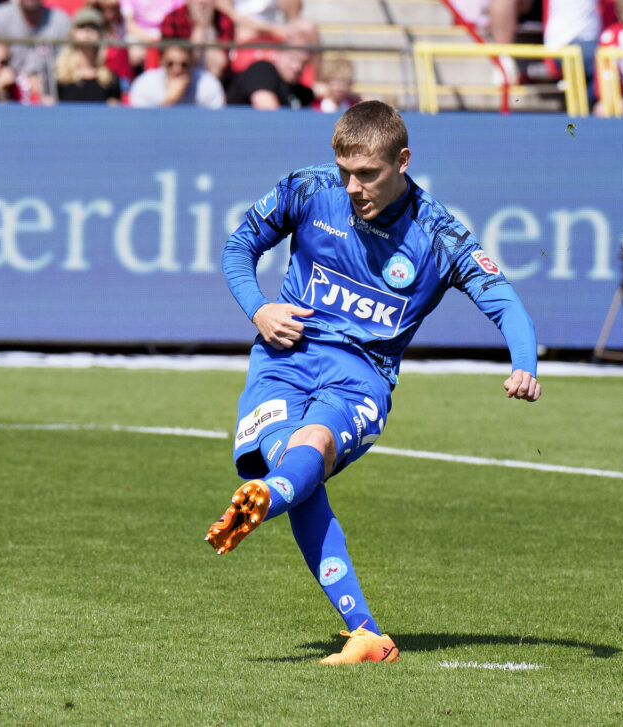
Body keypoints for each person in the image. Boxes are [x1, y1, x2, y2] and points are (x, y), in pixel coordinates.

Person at [205, 101, 541, 665]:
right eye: (345, 172)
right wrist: (259, 310)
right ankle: (366, 635)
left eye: (369, 174)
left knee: (311, 449)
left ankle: (266, 500)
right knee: (295, 464)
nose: (354, 186)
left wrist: (524, 361)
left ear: (402, 161)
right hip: (281, 359)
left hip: (359, 376)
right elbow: (238, 248)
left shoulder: (438, 235)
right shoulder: (308, 190)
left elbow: (503, 299)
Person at [0, 0, 71, 96]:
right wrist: (20, 80)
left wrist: (45, 81)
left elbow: (67, 66)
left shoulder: (60, 21)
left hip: (49, 92)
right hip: (9, 91)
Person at [225, 27, 312, 109]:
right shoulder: (263, 70)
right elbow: (268, 113)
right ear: (278, 54)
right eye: (292, 59)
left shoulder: (299, 92)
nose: (297, 67)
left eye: (303, 63)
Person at [53, 7, 121, 103]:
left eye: (93, 27)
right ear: (73, 33)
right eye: (82, 26)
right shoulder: (59, 76)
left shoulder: (109, 79)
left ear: (100, 34)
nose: (87, 31)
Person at [128, 42, 224, 107]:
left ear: (192, 63)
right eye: (170, 64)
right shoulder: (145, 84)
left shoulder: (208, 84)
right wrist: (169, 101)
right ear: (161, 62)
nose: (177, 69)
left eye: (184, 65)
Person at [160, 0, 235, 81]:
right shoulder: (173, 19)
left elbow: (219, 65)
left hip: (214, 82)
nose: (202, 2)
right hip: (179, 80)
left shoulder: (223, 20)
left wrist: (207, 29)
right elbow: (177, 63)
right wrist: (199, 28)